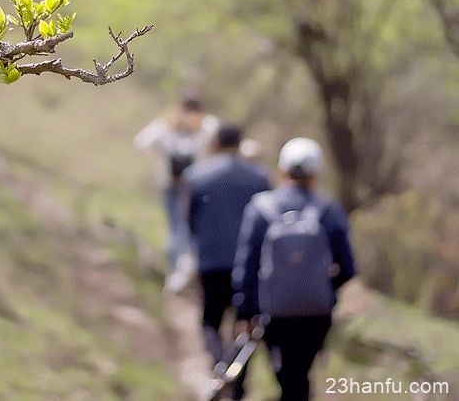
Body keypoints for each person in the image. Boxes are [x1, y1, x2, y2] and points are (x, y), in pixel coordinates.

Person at [233, 137, 356, 401]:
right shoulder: (328, 211)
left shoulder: (260, 208)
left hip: (273, 312)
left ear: (282, 169)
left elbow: (247, 263)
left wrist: (245, 310)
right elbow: (347, 267)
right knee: (298, 374)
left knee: (287, 374)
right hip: (316, 313)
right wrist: (325, 292)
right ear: (316, 172)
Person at [183, 123, 271, 400]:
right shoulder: (259, 178)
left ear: (216, 143)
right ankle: (237, 384)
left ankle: (219, 364)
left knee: (210, 320)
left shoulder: (197, 176)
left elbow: (190, 221)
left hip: (212, 261)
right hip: (250, 266)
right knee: (244, 324)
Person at [133, 91, 219, 286]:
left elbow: (215, 130)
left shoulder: (203, 129)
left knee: (187, 229)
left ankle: (186, 271)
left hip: (193, 187)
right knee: (178, 229)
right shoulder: (167, 127)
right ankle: (179, 271)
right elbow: (142, 142)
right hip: (173, 186)